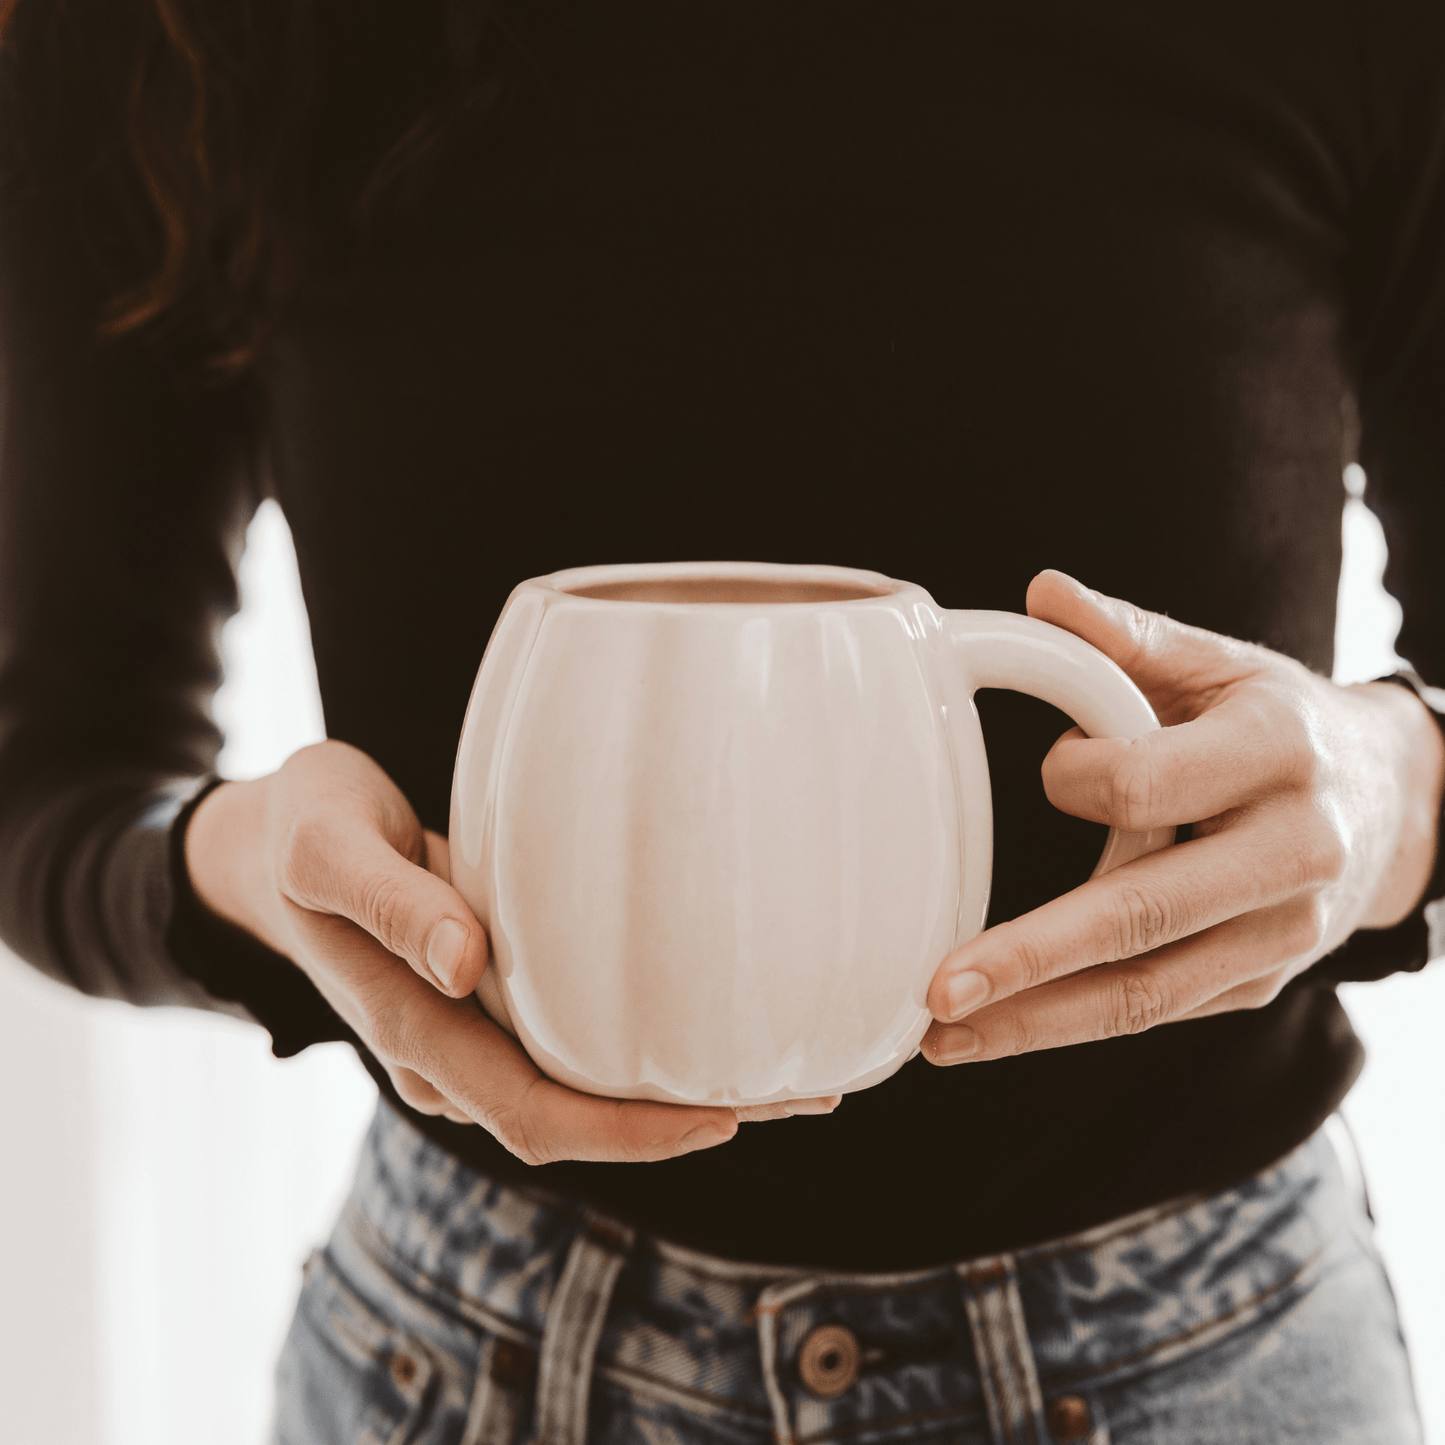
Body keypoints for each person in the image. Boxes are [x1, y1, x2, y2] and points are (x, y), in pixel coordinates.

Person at [2, 0, 1442, 1439]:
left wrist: (1391, 793)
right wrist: (246, 864)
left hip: (1221, 1357)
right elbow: (57, 769)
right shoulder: (173, 32)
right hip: (472, 1364)